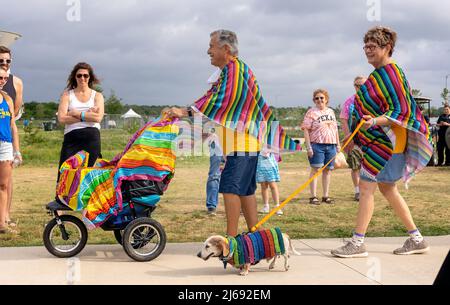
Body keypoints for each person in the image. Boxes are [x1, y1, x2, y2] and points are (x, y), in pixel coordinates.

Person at [165, 30, 299, 236]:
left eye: (211, 46)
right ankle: (256, 239)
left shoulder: (235, 69)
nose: (208, 50)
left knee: (229, 188)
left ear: (225, 49)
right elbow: (212, 100)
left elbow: (221, 100)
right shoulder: (228, 72)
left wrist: (184, 111)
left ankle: (231, 241)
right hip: (241, 144)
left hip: (242, 144)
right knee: (245, 193)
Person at [331, 26, 433, 258]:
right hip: (379, 140)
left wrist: (374, 121)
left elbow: (402, 110)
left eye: (373, 46)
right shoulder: (378, 75)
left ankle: (357, 243)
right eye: (365, 46)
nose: (367, 50)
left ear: (387, 48)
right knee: (388, 189)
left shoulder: (392, 73)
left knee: (367, 188)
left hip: (387, 142)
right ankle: (416, 239)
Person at [57, 62, 104, 180]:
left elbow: (98, 118)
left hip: (91, 137)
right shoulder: (67, 95)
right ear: (75, 77)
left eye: (85, 75)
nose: (82, 78)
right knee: (65, 173)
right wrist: (88, 115)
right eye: (79, 75)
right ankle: (62, 198)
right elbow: (62, 118)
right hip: (71, 138)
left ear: (90, 77)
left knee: (87, 176)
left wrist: (76, 113)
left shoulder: (97, 96)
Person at [301, 89, 340, 205]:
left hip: (331, 145)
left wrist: (338, 144)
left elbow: (335, 129)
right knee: (315, 170)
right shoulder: (311, 112)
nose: (319, 100)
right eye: (317, 98)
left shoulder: (331, 112)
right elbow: (306, 130)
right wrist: (309, 147)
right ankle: (313, 196)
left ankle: (325, 196)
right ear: (314, 100)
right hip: (317, 145)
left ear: (326, 99)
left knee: (327, 171)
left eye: (321, 98)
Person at [0, 46, 24, 228]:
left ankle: (5, 217)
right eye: (1, 61)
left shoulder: (16, 83)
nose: (5, 64)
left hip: (6, 139)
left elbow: (12, 118)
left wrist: (16, 149)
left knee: (6, 180)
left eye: (8, 61)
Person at [339, 76, 367, 202]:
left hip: (370, 139)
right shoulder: (349, 102)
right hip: (354, 139)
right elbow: (344, 120)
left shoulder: (372, 100)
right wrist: (348, 137)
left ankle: (366, 190)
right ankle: (357, 191)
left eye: (362, 85)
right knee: (355, 166)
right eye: (357, 85)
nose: (359, 87)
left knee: (368, 166)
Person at [257, 148, 283, 215]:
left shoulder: (270, 141)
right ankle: (266, 206)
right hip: (260, 162)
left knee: (272, 185)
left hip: (269, 163)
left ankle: (277, 206)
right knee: (263, 185)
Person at [205, 128, 225, 215]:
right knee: (214, 176)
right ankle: (212, 205)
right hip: (217, 144)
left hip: (235, 143)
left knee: (236, 176)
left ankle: (239, 204)